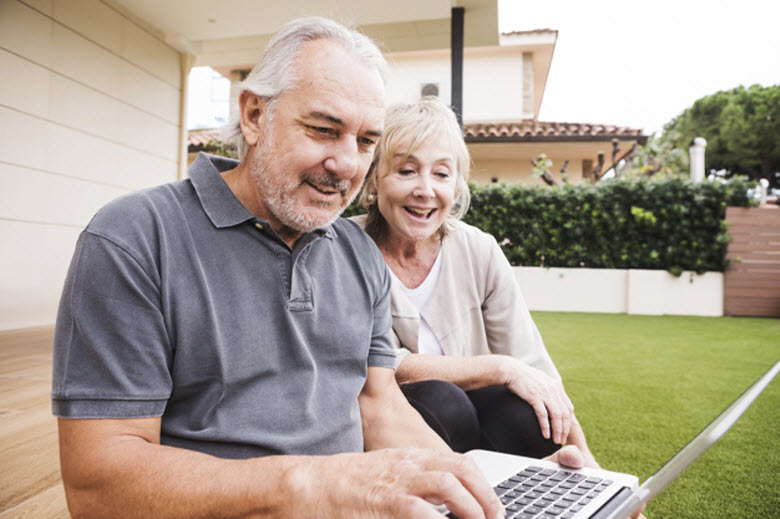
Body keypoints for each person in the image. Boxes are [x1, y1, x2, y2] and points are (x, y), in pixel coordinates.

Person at [51, 18, 526, 519]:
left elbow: (378, 404)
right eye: (324, 129)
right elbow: (97, 488)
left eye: (366, 142)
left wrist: (482, 492)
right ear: (255, 114)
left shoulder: (357, 252)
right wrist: (311, 484)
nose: (346, 164)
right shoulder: (134, 237)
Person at [355, 97, 598, 466]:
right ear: (375, 179)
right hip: (388, 423)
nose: (425, 190)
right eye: (406, 171)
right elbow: (386, 365)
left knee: (530, 414)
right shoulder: (345, 248)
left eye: (441, 173)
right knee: (445, 403)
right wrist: (500, 368)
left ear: (456, 185)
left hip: (467, 421)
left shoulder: (478, 249)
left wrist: (595, 470)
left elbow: (535, 368)